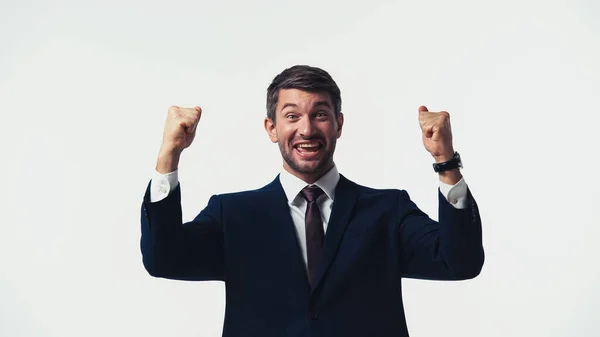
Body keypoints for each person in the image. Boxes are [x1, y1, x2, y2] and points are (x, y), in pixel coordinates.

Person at [140, 65, 484, 337]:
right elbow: (163, 259)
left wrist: (445, 160)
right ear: (271, 128)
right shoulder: (232, 215)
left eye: (320, 114)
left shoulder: (387, 211)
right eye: (291, 116)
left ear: (338, 124)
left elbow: (460, 262)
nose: (306, 129)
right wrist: (169, 154)